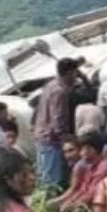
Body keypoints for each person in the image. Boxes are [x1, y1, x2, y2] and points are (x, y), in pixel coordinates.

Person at [48, 131, 107, 212]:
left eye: (83, 149)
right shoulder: (89, 165)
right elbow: (82, 189)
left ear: (92, 149)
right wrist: (70, 201)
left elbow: (91, 194)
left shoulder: (104, 168)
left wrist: (72, 205)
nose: (81, 153)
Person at [33, 59, 74, 189]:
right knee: (53, 180)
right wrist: (65, 140)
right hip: (51, 139)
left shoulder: (50, 85)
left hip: (41, 136)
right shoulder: (59, 91)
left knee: (46, 175)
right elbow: (58, 119)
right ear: (69, 73)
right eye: (75, 74)